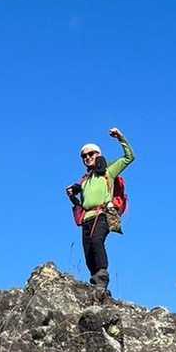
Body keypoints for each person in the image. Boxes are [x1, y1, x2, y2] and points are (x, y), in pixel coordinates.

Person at [66, 126, 135, 300]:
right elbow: (83, 203)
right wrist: (73, 196)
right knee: (88, 251)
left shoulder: (108, 172)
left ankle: (102, 278)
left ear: (98, 155)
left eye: (91, 154)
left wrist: (120, 137)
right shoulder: (84, 181)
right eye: (84, 156)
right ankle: (97, 284)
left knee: (97, 241)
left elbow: (129, 157)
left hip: (102, 214)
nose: (87, 158)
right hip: (86, 219)